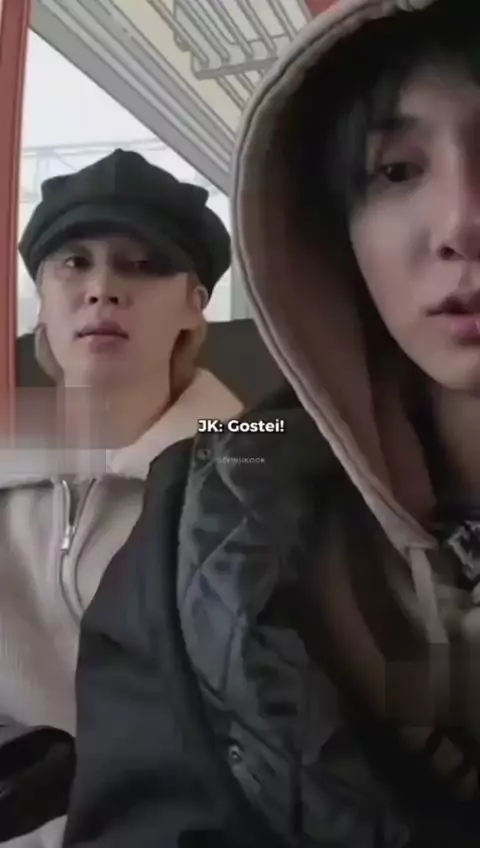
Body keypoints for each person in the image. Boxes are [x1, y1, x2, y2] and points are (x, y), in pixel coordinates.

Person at [62, 0, 480, 845]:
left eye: (142, 267)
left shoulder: (224, 458)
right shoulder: (195, 526)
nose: (461, 222)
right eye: (396, 170)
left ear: (198, 302)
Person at [0, 149, 242, 845]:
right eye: (74, 263)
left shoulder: (252, 466)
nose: (103, 288)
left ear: (195, 302)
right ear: (42, 298)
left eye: (142, 265)